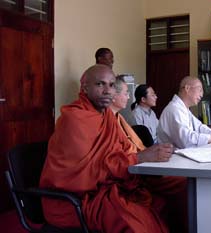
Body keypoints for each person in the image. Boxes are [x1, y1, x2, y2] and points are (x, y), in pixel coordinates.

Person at [40, 64, 187, 233]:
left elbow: (122, 150)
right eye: (100, 84)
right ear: (85, 88)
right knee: (137, 222)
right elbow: (90, 172)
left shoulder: (107, 115)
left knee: (180, 184)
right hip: (80, 198)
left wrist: (146, 156)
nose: (108, 91)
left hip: (111, 183)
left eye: (111, 85)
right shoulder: (75, 119)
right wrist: (140, 158)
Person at [157, 76, 211, 149]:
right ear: (187, 88)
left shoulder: (184, 109)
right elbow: (187, 140)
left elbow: (200, 127)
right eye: (200, 90)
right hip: (172, 159)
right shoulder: (174, 109)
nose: (201, 95)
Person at [110, 75, 146, 153]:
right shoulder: (105, 120)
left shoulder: (118, 117)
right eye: (126, 93)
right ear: (113, 96)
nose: (129, 97)